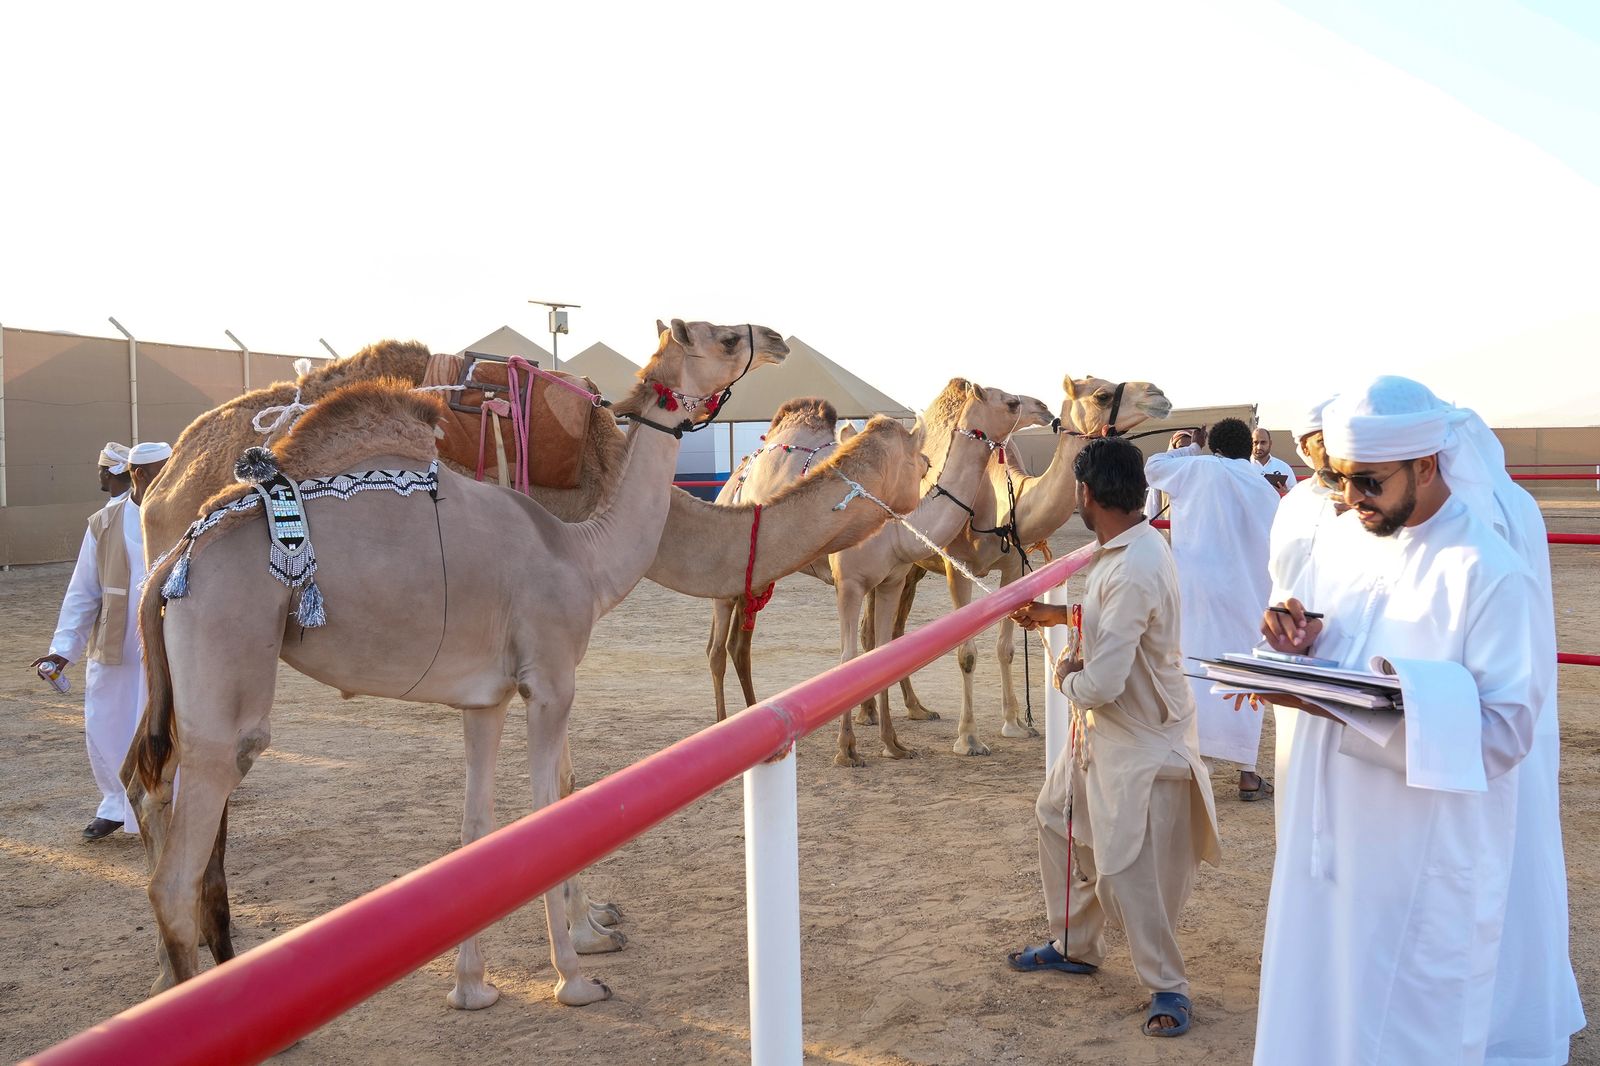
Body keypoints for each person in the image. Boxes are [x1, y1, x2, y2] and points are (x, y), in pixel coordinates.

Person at [1255, 376, 1573, 1065]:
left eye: (1368, 483)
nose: (1348, 500)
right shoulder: (1342, 544)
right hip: (1327, 846)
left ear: (1426, 466)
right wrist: (1297, 640)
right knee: (1315, 1009)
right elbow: (1333, 638)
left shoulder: (1487, 572)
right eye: (1340, 481)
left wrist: (1351, 704)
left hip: (1419, 858)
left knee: (1402, 1027)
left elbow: (1507, 729)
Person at [1004, 436, 1220, 1039]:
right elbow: (1112, 622)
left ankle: (1168, 986)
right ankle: (1074, 942)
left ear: (1086, 493)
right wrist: (1059, 617)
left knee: (1127, 868)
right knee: (1056, 817)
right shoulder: (1128, 549)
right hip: (1106, 733)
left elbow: (1100, 683)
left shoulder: (1135, 566)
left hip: (1142, 739)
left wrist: (1065, 677)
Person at [31, 441, 171, 841]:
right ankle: (115, 803)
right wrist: (63, 650)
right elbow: (83, 591)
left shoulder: (190, 513)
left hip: (173, 637)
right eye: (159, 471)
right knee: (107, 719)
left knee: (169, 721)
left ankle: (167, 803)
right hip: (119, 640)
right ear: (139, 475)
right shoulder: (104, 522)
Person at [1144, 418, 1281, 799]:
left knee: (1196, 671)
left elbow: (1152, 467)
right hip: (1248, 594)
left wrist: (1191, 446)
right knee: (1243, 677)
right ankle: (1247, 773)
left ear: (1213, 445)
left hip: (1196, 591)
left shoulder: (1196, 467)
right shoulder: (1263, 487)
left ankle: (1193, 764)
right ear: (1245, 447)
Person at [1142, 429, 1192, 522]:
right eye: (1180, 448)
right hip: (1167, 531)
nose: (1184, 452)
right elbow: (1152, 509)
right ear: (1173, 449)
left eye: (1188, 449)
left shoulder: (1200, 476)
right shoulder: (1161, 476)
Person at [1250, 427, 1297, 494]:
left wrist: (1284, 493)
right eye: (1255, 442)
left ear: (1270, 443)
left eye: (1263, 442)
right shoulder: (1243, 467)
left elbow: (1295, 495)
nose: (1259, 447)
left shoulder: (1284, 468)